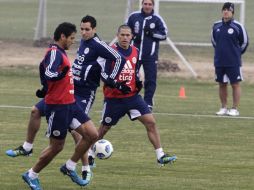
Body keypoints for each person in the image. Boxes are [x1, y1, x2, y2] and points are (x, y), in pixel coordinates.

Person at [6, 15, 128, 183]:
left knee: (82, 134)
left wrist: (113, 82)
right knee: (37, 113)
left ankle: (83, 167)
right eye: (81, 30)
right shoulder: (61, 50)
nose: (82, 34)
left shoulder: (98, 46)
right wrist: (46, 87)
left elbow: (117, 60)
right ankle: (28, 149)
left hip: (83, 94)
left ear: (94, 29)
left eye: (87, 30)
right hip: (65, 94)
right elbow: (46, 69)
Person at [89, 24, 176, 167]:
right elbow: (103, 75)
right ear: (117, 36)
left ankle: (160, 156)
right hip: (114, 99)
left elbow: (134, 70)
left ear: (132, 37)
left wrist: (137, 82)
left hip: (133, 98)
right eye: (122, 35)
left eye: (127, 35)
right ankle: (90, 155)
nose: (124, 37)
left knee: (151, 122)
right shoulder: (110, 52)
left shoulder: (136, 51)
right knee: (104, 128)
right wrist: (116, 84)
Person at [126, 0, 168, 110]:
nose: (147, 6)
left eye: (150, 4)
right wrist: (132, 36)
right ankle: (130, 100)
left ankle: (148, 102)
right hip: (134, 54)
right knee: (131, 77)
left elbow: (164, 35)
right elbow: (125, 30)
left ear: (153, 6)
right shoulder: (133, 16)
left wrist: (152, 34)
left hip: (150, 55)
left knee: (150, 79)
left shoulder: (157, 19)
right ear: (142, 4)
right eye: (145, 4)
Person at [211, 2, 248, 116]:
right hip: (220, 61)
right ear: (222, 11)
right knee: (222, 84)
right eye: (224, 9)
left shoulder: (238, 26)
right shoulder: (216, 25)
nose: (226, 11)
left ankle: (234, 109)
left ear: (232, 12)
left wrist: (236, 53)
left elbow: (244, 42)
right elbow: (213, 41)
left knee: (235, 84)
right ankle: (223, 107)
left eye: (229, 10)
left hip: (233, 61)